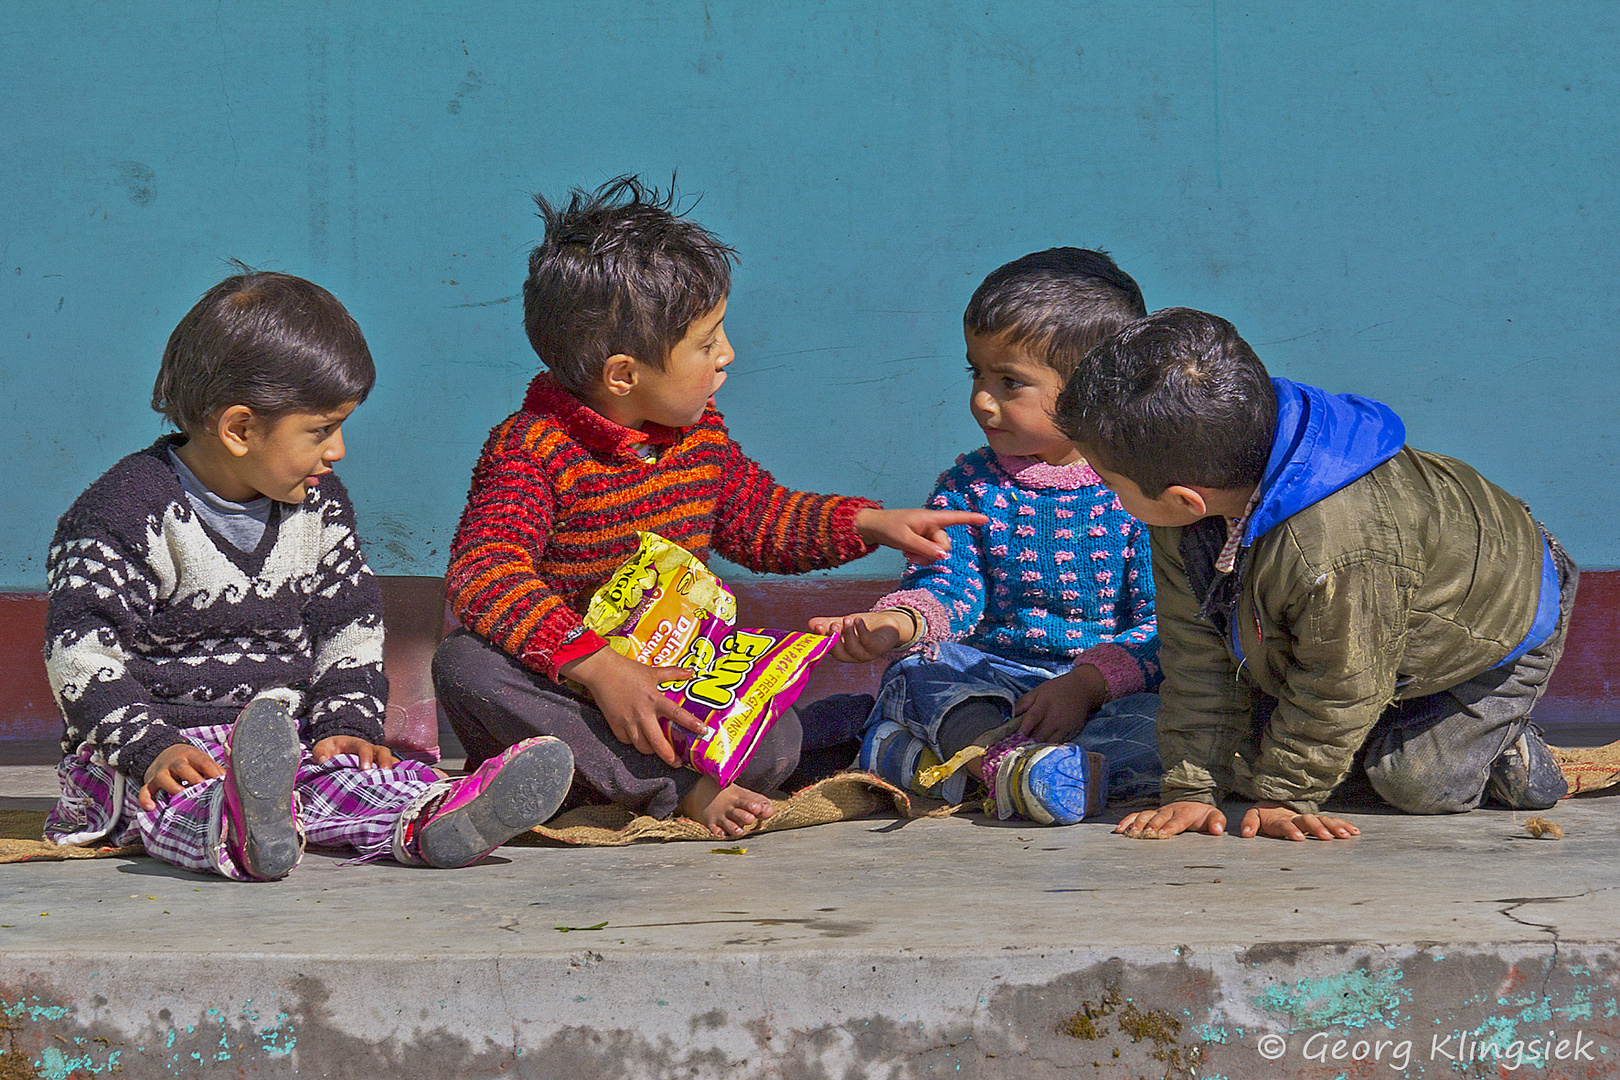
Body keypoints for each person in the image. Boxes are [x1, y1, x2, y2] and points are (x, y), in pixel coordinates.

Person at [431, 177, 985, 839]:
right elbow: (485, 576)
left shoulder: (698, 438)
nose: (728, 354)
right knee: (465, 666)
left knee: (777, 742)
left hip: (678, 686)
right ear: (624, 375)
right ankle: (673, 792)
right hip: (568, 697)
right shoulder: (531, 449)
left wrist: (870, 523)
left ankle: (654, 778)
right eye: (706, 342)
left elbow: (761, 517)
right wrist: (601, 671)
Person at [44, 270, 574, 879]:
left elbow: (348, 629)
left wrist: (345, 725)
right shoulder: (122, 513)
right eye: (321, 430)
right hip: (153, 749)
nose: (338, 450)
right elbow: (81, 657)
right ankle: (238, 828)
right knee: (173, 805)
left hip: (281, 743)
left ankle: (432, 818)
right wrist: (149, 746)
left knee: (358, 779)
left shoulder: (319, 506)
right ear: (240, 429)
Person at [1054, 307, 1574, 842]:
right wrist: (1192, 786)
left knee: (1413, 782)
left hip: (1497, 621)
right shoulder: (1195, 501)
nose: (1107, 493)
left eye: (1107, 480)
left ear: (1183, 497)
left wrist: (1284, 795)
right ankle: (1368, 736)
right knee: (1240, 760)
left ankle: (1508, 745)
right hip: (1366, 635)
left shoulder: (1338, 549)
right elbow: (1194, 651)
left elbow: (1340, 683)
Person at [809, 249, 1162, 825]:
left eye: (1010, 382)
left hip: (1102, 695)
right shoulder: (969, 485)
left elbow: (1162, 621)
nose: (982, 399)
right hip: (994, 686)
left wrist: (1084, 687)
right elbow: (947, 585)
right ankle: (1012, 770)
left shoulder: (1140, 492)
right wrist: (895, 624)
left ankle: (938, 767)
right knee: (919, 671)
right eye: (977, 373)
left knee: (1176, 727)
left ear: (1094, 390)